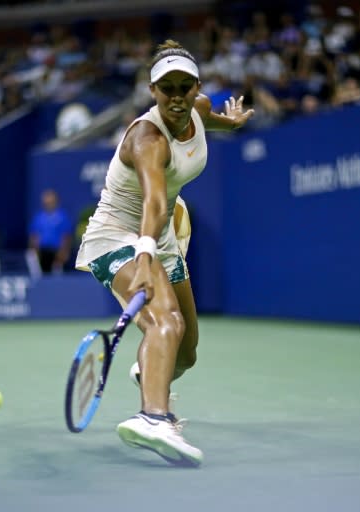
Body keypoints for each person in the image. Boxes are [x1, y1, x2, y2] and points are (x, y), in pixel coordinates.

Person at [75, 39, 254, 467]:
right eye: (166, 89)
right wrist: (144, 253)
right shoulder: (147, 138)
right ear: (152, 92)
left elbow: (206, 120)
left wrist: (231, 122)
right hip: (120, 236)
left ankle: (151, 368)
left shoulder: (197, 106)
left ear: (196, 87)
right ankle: (153, 416)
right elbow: (154, 203)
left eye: (184, 87)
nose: (176, 97)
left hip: (163, 236)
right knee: (165, 321)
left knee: (186, 350)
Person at [28, 189, 73, 275]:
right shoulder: (38, 217)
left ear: (56, 201)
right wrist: (34, 251)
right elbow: (34, 236)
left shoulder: (62, 217)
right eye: (46, 201)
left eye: (50, 201)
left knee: (56, 278)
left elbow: (66, 236)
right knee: (40, 276)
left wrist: (64, 252)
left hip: (57, 253)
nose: (48, 203)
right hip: (42, 253)